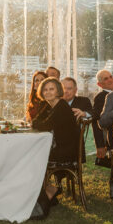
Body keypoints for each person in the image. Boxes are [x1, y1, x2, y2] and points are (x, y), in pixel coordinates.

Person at [30, 77, 77, 214]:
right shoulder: (50, 105)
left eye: (51, 89)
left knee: (30, 157)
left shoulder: (61, 106)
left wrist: (37, 123)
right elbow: (36, 120)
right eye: (45, 89)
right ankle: (48, 189)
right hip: (58, 147)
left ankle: (47, 191)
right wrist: (37, 121)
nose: (48, 92)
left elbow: (43, 125)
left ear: (58, 90)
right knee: (30, 154)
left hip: (65, 151)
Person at [91, 70, 113, 164]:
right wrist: (100, 145)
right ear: (99, 84)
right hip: (111, 138)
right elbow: (95, 121)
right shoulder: (101, 97)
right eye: (106, 79)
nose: (110, 80)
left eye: (110, 77)